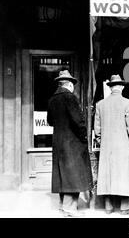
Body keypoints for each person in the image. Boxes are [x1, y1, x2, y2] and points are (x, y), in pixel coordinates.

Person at [47, 70, 93, 217]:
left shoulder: (52, 99)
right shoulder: (70, 97)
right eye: (72, 84)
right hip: (72, 143)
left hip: (58, 142)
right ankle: (70, 209)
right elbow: (79, 122)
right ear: (69, 85)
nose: (73, 87)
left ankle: (63, 206)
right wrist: (84, 137)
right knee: (73, 175)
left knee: (63, 174)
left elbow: (49, 121)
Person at [94, 74, 129, 215]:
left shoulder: (100, 104)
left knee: (108, 175)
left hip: (107, 146)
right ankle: (125, 207)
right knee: (124, 175)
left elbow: (97, 129)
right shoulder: (128, 103)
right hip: (124, 146)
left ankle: (108, 207)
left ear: (111, 87)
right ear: (122, 87)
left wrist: (102, 141)